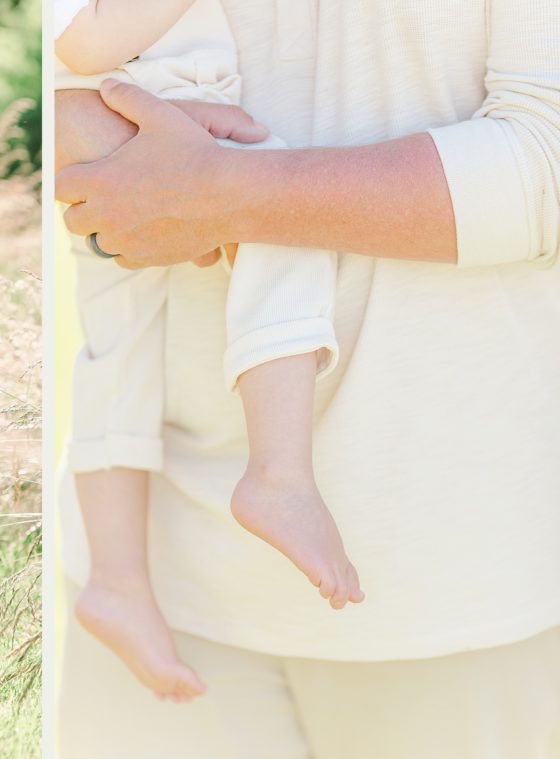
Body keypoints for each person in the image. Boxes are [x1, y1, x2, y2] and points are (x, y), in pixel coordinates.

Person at [55, 2, 560, 756]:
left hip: (447, 581)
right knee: (114, 347)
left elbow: (545, 160)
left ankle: (264, 482)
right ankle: (139, 564)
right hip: (171, 574)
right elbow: (68, 46)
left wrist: (229, 190)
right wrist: (72, 128)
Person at [55, 0, 362, 704]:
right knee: (280, 212)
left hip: (115, 130)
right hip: (143, 125)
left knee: (117, 355)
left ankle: (117, 581)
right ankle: (279, 472)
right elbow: (83, 39)